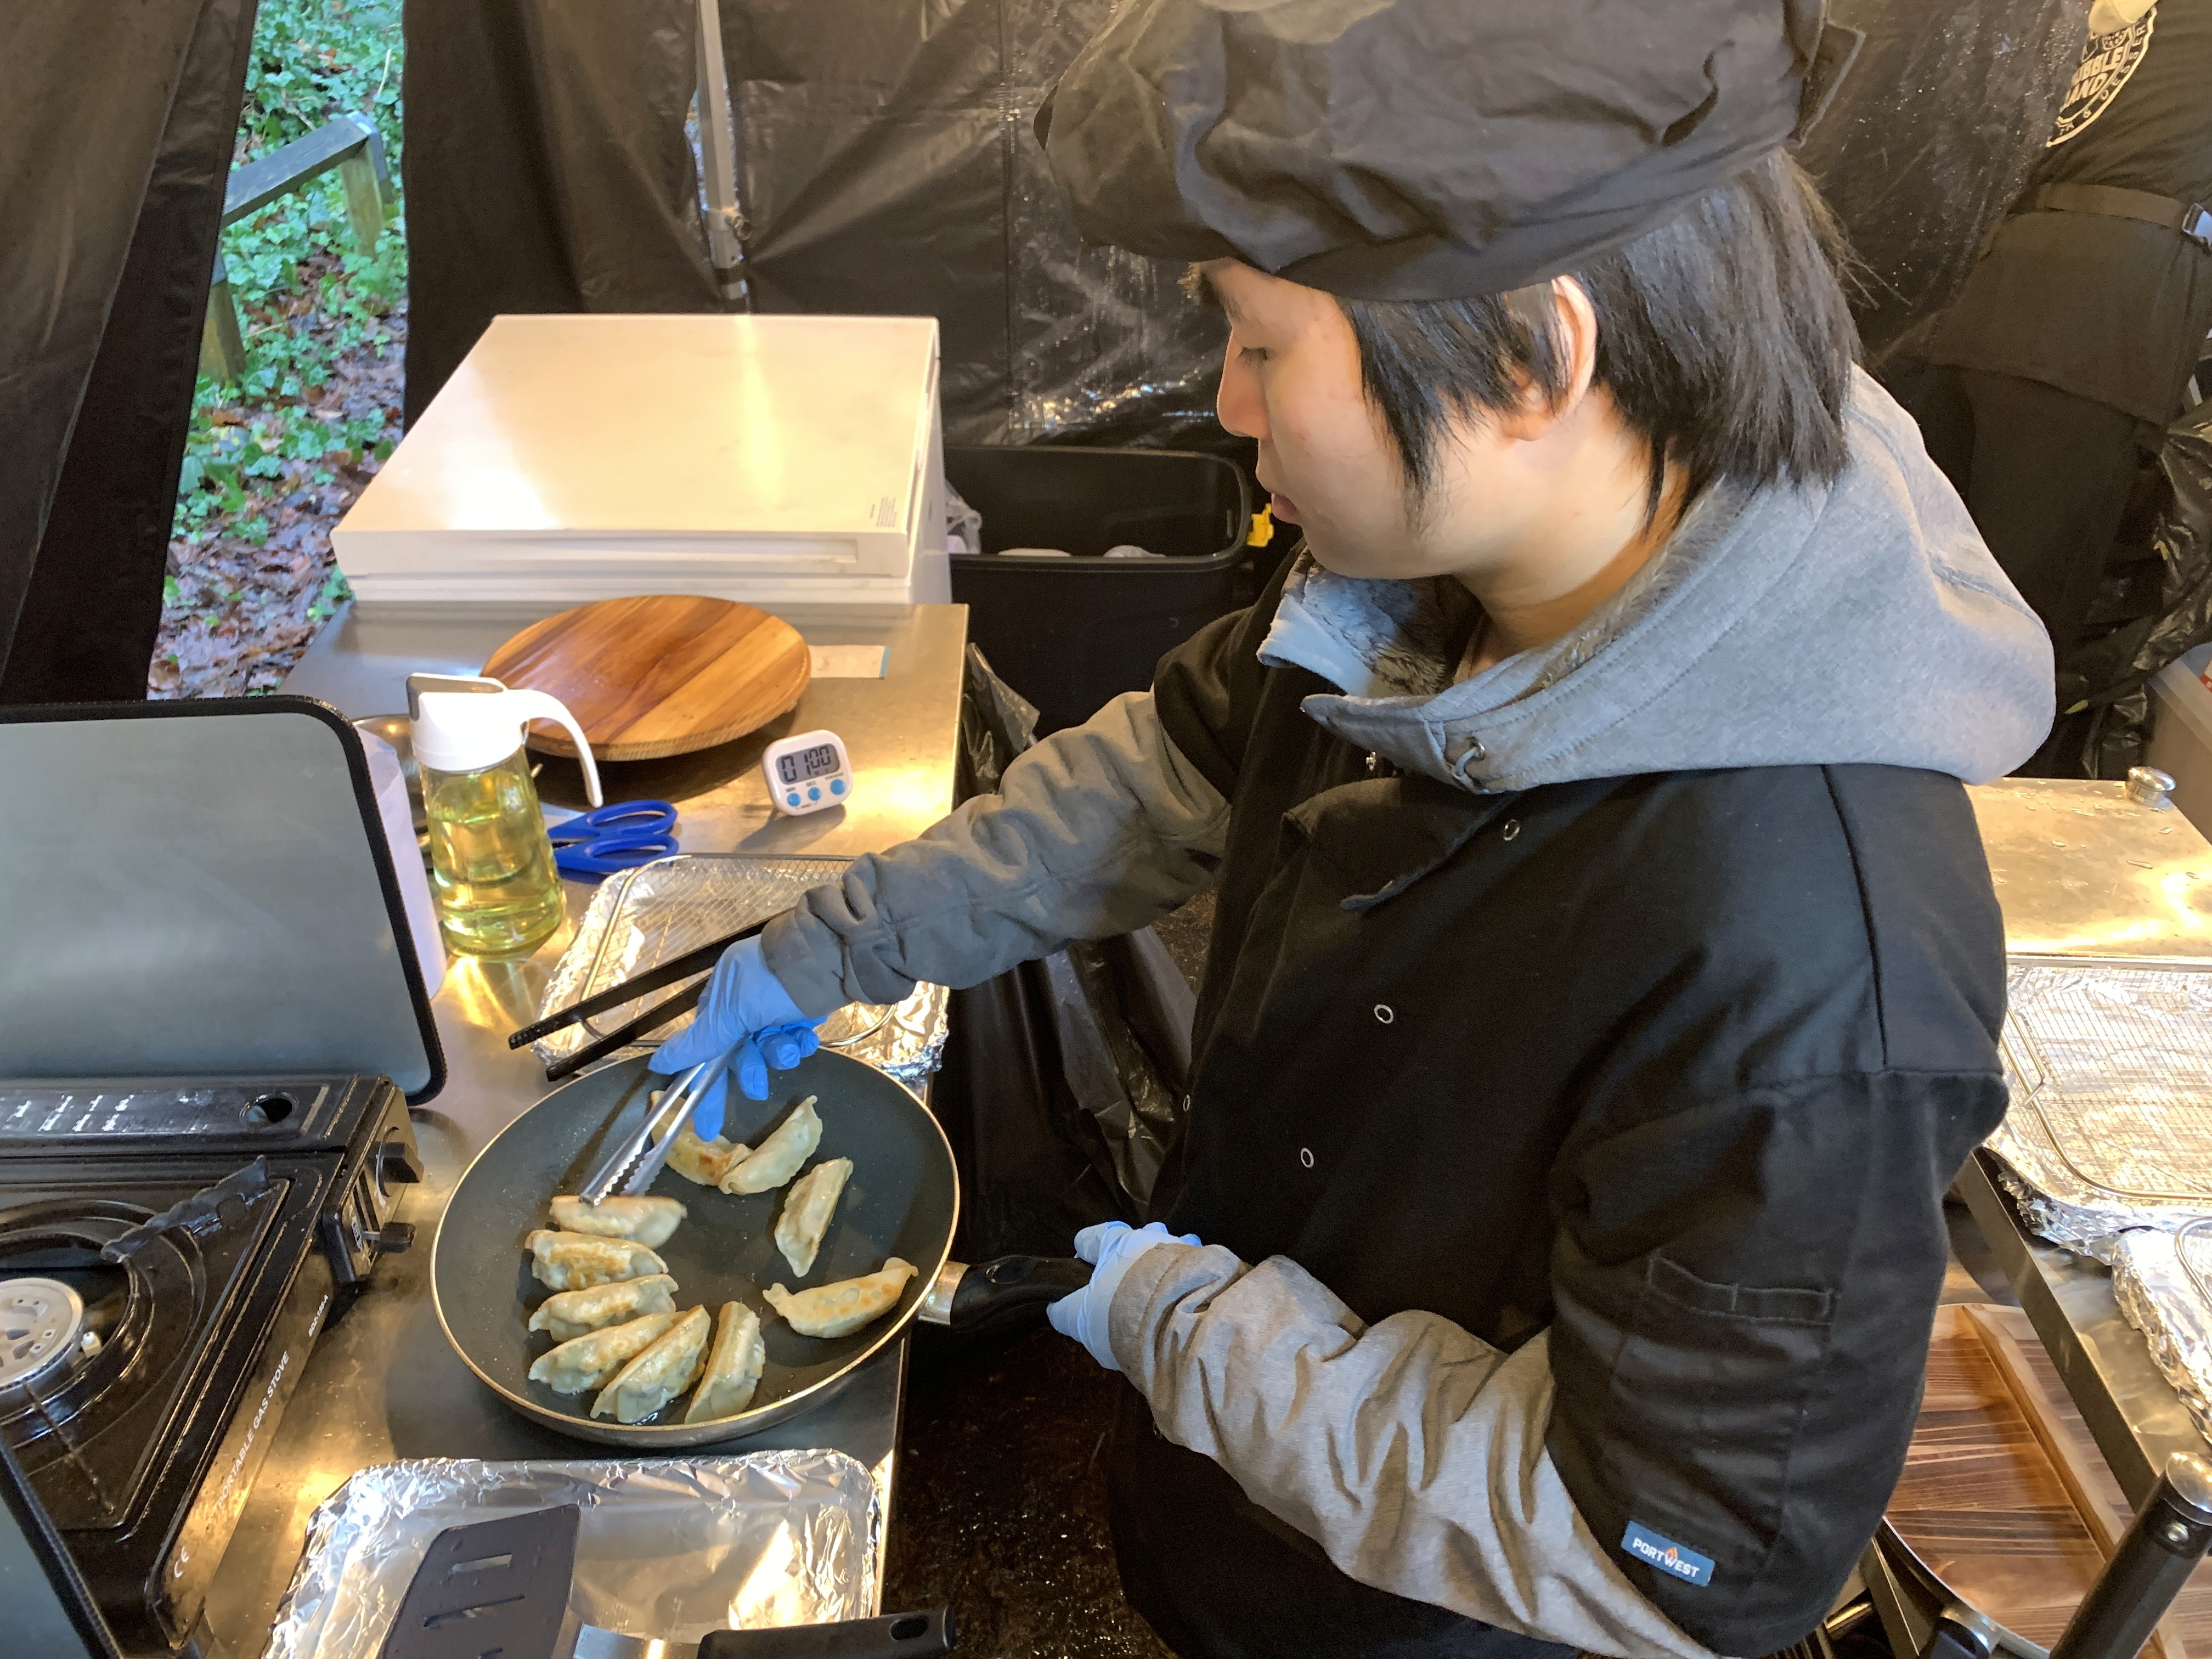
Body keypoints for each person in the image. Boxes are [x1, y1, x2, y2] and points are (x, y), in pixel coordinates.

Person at [653, 3, 2053, 1655]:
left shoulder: (1809, 968)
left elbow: (1665, 1546)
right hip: (1251, 1488)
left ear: (1535, 353)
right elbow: (1180, 764)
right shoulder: (1453, 575)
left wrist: (1191, 1332)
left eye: (1260, 345)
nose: (1233, 411)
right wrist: (841, 942)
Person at [1902, 0, 2212, 772]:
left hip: (1997, 291)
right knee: (2021, 618)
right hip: (2103, 318)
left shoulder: (2128, 20)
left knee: (1929, 579)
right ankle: (1986, 825)